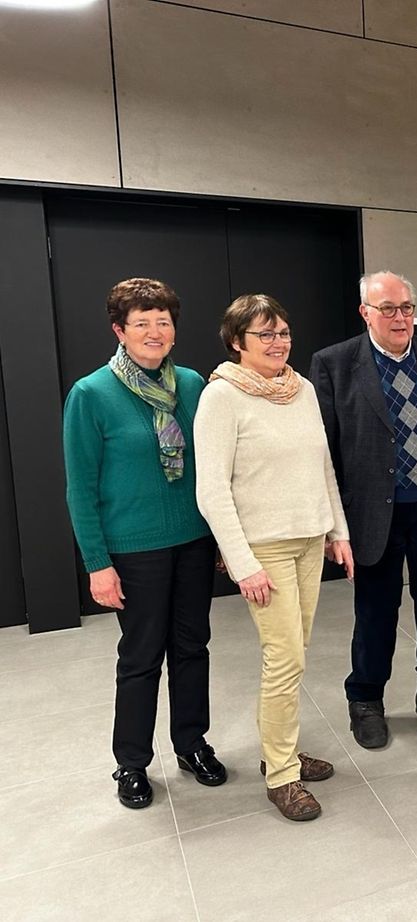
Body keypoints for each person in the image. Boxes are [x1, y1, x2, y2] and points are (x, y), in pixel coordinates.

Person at [63, 277, 224, 810]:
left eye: (163, 322)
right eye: (141, 323)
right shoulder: (91, 394)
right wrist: (97, 563)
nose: (155, 332)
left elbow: (214, 464)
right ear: (120, 330)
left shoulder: (194, 385)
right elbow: (80, 487)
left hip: (193, 541)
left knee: (192, 647)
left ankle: (192, 743)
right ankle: (131, 762)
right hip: (134, 551)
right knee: (140, 657)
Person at [195, 294, 353, 821]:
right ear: (236, 342)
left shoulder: (300, 388)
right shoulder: (222, 397)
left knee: (294, 654)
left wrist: (337, 530)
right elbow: (211, 490)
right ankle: (282, 775)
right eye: (264, 334)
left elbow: (323, 465)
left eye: (282, 332)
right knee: (284, 659)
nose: (278, 342)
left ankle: (278, 750)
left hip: (309, 538)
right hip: (265, 548)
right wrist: (243, 564)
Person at [309, 271, 417, 744]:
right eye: (388, 309)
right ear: (365, 313)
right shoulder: (334, 364)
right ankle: (365, 699)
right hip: (372, 515)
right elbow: (325, 452)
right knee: (375, 612)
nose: (400, 318)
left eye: (406, 308)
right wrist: (334, 526)